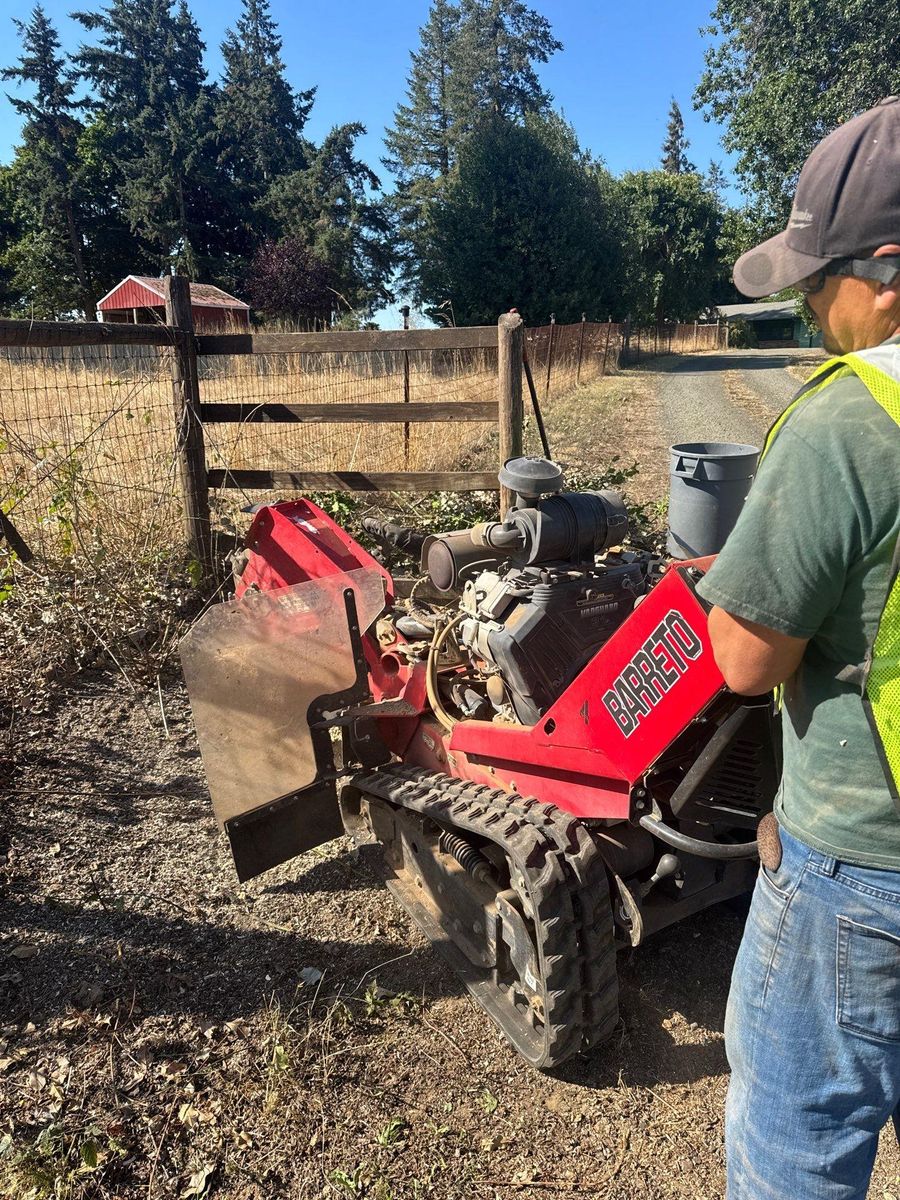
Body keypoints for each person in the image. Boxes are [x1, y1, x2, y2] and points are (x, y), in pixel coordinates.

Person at [696, 96, 900, 1199]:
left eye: (821, 281)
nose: (816, 309)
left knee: (795, 1164)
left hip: (864, 877)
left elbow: (743, 660)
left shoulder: (848, 423)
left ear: (887, 271)